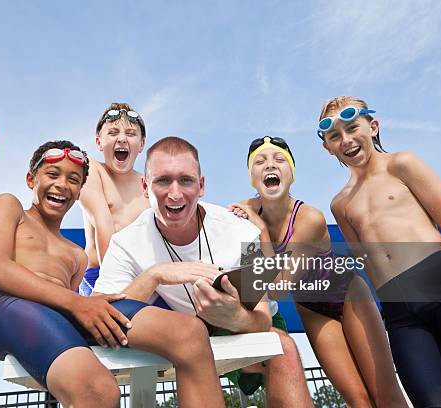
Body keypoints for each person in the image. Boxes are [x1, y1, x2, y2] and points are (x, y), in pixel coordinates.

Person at [0, 140, 224, 408]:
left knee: (189, 333)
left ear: (80, 191)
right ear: (30, 179)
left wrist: (79, 310)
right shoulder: (10, 206)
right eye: (52, 174)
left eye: (73, 179)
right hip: (7, 306)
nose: (62, 184)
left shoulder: (76, 255)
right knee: (98, 391)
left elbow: (72, 315)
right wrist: (78, 304)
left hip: (62, 310)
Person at [94, 136, 314, 407]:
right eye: (162, 181)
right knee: (186, 337)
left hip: (246, 318)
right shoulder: (126, 241)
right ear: (144, 187)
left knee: (285, 350)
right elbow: (99, 313)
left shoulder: (244, 231)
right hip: (188, 328)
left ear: (201, 186)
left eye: (186, 180)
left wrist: (234, 316)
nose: (175, 194)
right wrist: (155, 275)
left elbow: (262, 320)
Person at [318, 96, 441, 407]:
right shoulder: (340, 204)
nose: (346, 140)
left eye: (352, 127)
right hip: (401, 315)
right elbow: (368, 263)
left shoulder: (402, 164)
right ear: (327, 147)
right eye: (335, 135)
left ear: (373, 127)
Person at [229, 136, 407, 407]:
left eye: (279, 160)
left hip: (347, 294)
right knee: (357, 399)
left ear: (291, 174)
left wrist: (261, 231)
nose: (269, 166)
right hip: (311, 306)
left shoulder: (309, 218)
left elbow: (278, 287)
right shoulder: (244, 212)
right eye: (259, 162)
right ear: (252, 178)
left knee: (385, 395)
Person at [78, 103, 149, 295]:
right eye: (113, 132)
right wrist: (111, 289)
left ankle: (242, 299)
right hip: (101, 275)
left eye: (131, 133)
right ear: (99, 142)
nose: (122, 139)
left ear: (141, 144)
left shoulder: (151, 186)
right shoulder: (92, 170)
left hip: (145, 277)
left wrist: (240, 209)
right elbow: (104, 225)